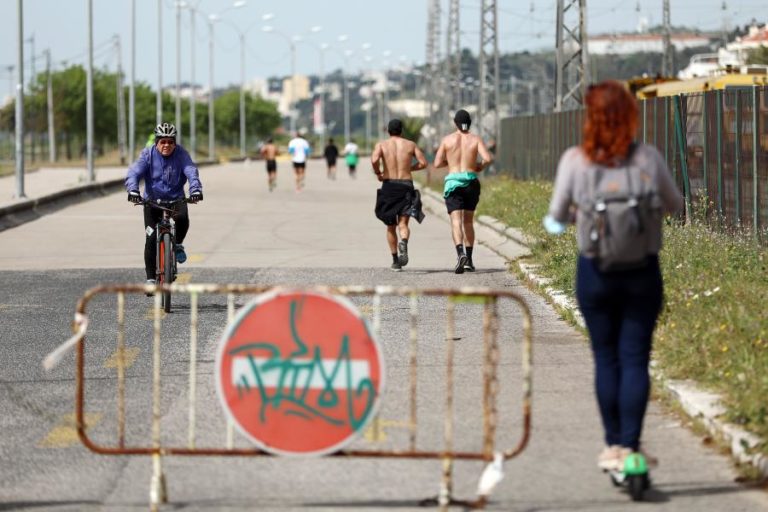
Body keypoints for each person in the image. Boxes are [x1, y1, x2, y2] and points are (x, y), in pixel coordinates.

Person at [544, 80, 683, 472]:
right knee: (635, 358)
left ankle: (613, 448)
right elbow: (676, 204)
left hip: (595, 273)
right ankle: (632, 447)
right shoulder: (648, 158)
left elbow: (556, 217)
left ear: (590, 118)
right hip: (643, 271)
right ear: (630, 116)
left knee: (606, 358)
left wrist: (572, 218)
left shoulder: (575, 160)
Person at [125, 122, 203, 291]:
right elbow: (134, 172)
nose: (166, 145)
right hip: (152, 202)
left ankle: (178, 244)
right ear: (156, 142)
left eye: (170, 142)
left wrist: (195, 189)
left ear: (175, 143)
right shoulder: (147, 154)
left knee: (183, 219)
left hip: (176, 200)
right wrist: (133, 190)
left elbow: (191, 171)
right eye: (163, 142)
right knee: (151, 238)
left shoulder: (181, 154)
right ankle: (150, 279)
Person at [433, 109, 493, 274]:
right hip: (471, 183)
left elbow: (437, 163)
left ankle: (460, 254)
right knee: (468, 222)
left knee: (456, 221)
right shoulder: (475, 139)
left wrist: (450, 162)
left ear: (455, 123)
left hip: (453, 184)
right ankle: (469, 260)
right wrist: (479, 166)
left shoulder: (447, 140)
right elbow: (488, 158)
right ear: (470, 123)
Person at [371, 119, 428, 271]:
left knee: (391, 226)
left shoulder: (382, 145)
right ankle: (404, 241)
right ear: (401, 131)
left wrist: (378, 173)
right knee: (403, 224)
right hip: (406, 186)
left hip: (389, 185)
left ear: (388, 131)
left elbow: (374, 159)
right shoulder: (410, 145)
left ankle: (396, 261)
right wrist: (410, 168)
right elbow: (423, 163)